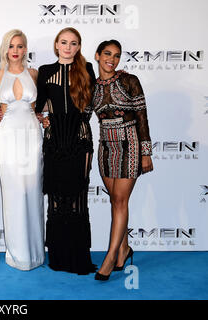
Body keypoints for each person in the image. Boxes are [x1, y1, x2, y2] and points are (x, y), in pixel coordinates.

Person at [36, 27, 96, 275]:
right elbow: (38, 105)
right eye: (64, 42)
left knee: (78, 197)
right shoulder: (45, 71)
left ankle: (78, 258)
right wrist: (42, 118)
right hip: (54, 140)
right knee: (57, 199)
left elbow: (92, 103)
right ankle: (58, 258)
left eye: (73, 43)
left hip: (79, 139)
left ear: (79, 46)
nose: (68, 47)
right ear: (56, 45)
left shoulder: (87, 69)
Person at [92, 40, 153, 281]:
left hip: (130, 144)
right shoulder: (91, 86)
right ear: (97, 56)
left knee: (119, 201)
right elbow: (81, 111)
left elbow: (142, 116)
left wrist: (146, 151)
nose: (112, 59)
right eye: (107, 54)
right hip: (105, 146)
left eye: (117, 55)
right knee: (116, 201)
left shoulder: (130, 80)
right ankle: (124, 250)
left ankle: (109, 257)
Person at [0, 29, 44, 271]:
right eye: (11, 46)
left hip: (31, 136)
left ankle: (35, 253)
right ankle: (16, 254)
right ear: (5, 49)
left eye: (20, 46)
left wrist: (46, 118)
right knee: (13, 193)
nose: (16, 51)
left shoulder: (34, 73)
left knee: (32, 192)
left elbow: (35, 108)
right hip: (8, 136)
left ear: (25, 49)